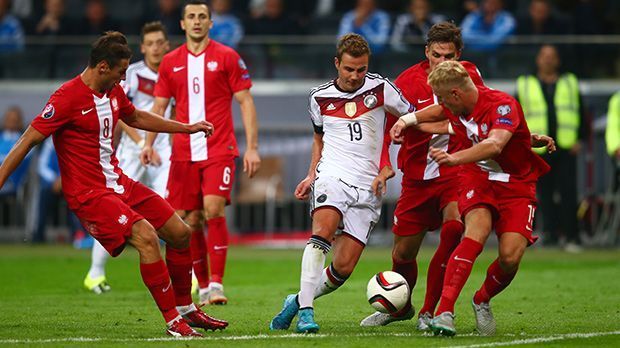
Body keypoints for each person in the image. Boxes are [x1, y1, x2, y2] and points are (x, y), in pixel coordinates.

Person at [0, 31, 228, 337]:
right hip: (88, 194)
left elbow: (136, 118)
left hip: (119, 183)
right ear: (103, 67)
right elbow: (27, 140)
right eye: (121, 72)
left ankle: (187, 309)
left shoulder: (112, 92)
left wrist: (185, 128)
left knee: (179, 232)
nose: (124, 79)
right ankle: (174, 321)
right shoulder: (66, 98)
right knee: (147, 237)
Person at [390, 60, 553, 336]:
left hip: (516, 184)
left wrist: (454, 158)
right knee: (474, 233)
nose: (442, 106)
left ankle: (482, 299)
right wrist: (407, 121)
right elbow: (438, 115)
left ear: (455, 94)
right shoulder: (456, 107)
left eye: (443, 98)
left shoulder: (502, 105)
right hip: (478, 178)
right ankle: (444, 312)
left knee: (510, 257)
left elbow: (495, 144)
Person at [269, 33, 412, 333]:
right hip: (332, 175)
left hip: (368, 187)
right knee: (321, 232)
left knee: (343, 268)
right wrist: (311, 175)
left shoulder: (382, 88)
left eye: (361, 69)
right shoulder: (318, 97)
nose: (355, 76)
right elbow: (319, 139)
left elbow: (410, 119)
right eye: (349, 69)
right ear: (337, 64)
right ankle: (306, 312)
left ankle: (295, 301)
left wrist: (388, 165)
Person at [360, 21, 484, 330]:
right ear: (426, 52)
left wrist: (416, 123)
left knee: (454, 228)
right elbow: (387, 126)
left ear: (460, 53)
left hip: (455, 170)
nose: (443, 62)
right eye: (437, 55)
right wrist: (384, 163)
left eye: (450, 55)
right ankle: (400, 307)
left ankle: (433, 310)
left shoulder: (468, 76)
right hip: (416, 177)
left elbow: (463, 120)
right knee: (403, 253)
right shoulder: (406, 81)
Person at [143, 0, 261, 306]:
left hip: (219, 148)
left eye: (202, 17)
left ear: (211, 23)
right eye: (191, 17)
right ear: (182, 24)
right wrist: (148, 143)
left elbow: (246, 101)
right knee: (191, 221)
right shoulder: (170, 62)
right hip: (182, 152)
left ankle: (217, 284)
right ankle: (204, 286)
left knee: (213, 209)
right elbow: (159, 107)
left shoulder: (228, 57)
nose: (197, 21)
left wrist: (252, 147)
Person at [83, 21, 173, 294]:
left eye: (161, 42)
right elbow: (122, 113)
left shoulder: (174, 72)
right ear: (143, 47)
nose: (156, 48)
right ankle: (95, 273)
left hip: (165, 149)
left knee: (170, 210)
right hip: (132, 152)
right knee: (114, 211)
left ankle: (181, 273)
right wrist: (143, 143)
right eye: (151, 43)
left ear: (167, 45)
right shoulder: (129, 74)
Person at [516, 44, 584, 251]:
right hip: (538, 148)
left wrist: (580, 138)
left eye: (552, 56)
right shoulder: (525, 83)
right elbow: (516, 115)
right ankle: (551, 235)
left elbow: (581, 112)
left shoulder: (570, 82)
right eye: (544, 56)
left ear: (558, 60)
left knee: (569, 193)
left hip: (565, 145)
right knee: (542, 195)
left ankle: (572, 237)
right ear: (537, 59)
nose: (548, 60)